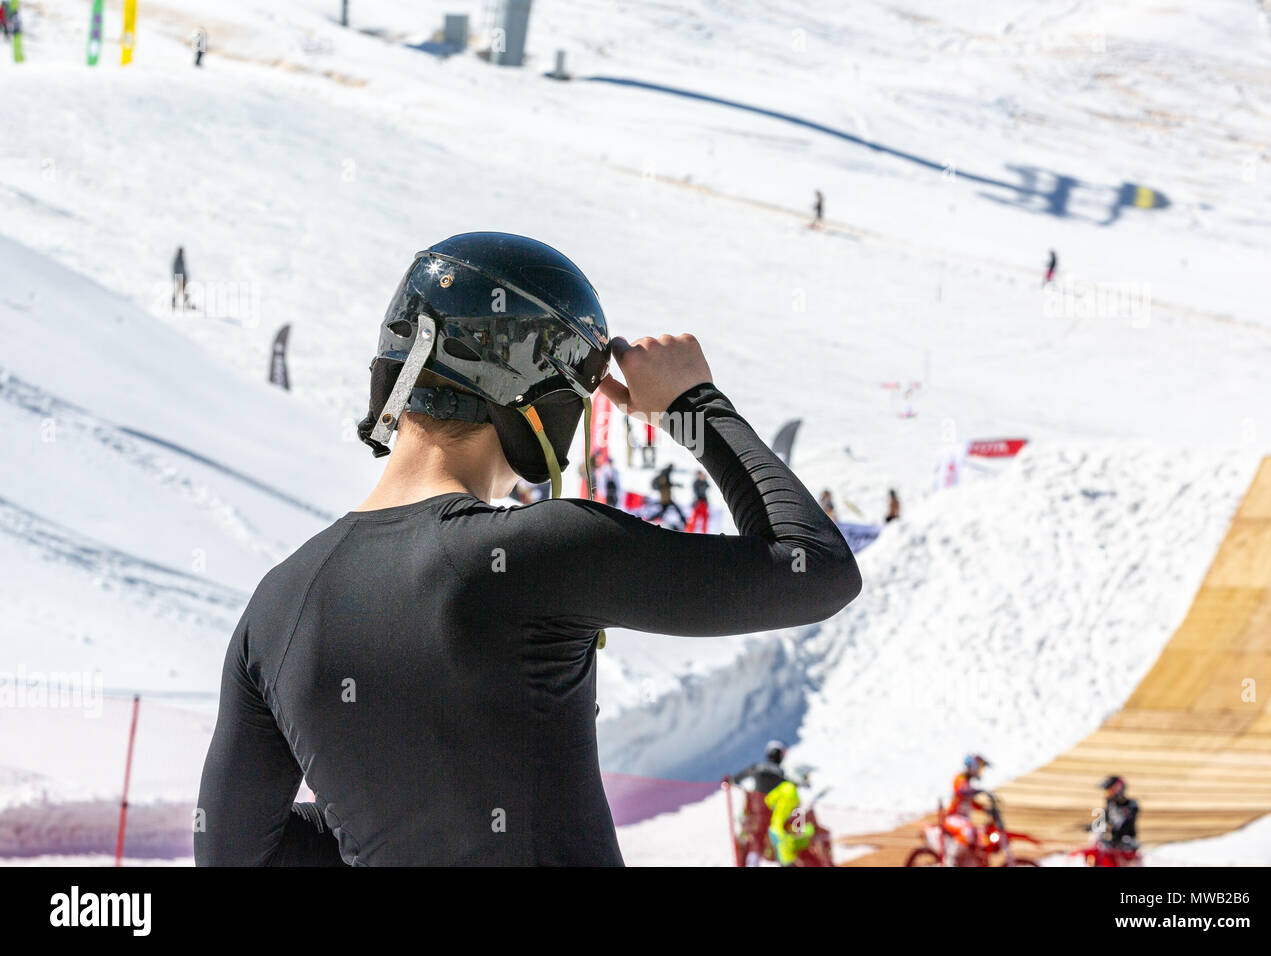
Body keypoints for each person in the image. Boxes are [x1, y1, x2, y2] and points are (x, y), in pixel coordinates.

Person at [194, 232, 861, 866]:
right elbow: (815, 568)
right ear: (538, 393)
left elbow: (233, 855)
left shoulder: (278, 603)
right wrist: (695, 404)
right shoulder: (541, 550)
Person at [943, 753, 991, 866]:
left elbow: (970, 802)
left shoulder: (968, 782)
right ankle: (950, 860)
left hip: (963, 819)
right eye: (979, 768)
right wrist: (978, 791)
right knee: (967, 830)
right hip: (952, 818)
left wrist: (985, 809)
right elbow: (962, 790)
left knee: (979, 835)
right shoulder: (960, 778)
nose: (980, 771)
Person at [1098, 775, 1139, 850]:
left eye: (1109, 790)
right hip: (1112, 842)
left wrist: (1112, 830)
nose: (1107, 794)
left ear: (1117, 789)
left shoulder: (1131, 805)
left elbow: (1126, 823)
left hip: (1126, 845)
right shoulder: (1110, 805)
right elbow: (1103, 820)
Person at [648, 462, 687, 527]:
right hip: (665, 498)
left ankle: (684, 521)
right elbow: (665, 484)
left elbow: (667, 484)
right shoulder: (665, 474)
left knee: (672, 510)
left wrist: (676, 485)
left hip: (667, 497)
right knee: (666, 511)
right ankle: (650, 519)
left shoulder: (666, 474)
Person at [171, 246, 190, 310]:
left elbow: (183, 269)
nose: (183, 253)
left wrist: (185, 276)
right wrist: (179, 276)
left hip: (182, 277)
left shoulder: (180, 258)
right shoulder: (178, 259)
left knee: (182, 290)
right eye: (182, 251)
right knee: (181, 290)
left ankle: (186, 303)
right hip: (180, 277)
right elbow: (177, 269)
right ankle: (185, 303)